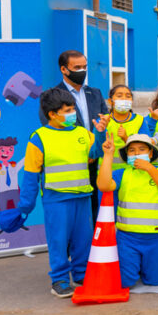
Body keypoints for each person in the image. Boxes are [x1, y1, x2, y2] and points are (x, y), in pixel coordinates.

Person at [19, 88, 108, 298]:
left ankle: (82, 274)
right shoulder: (39, 138)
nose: (72, 114)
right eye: (67, 110)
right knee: (58, 240)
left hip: (82, 196)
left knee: (83, 240)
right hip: (56, 199)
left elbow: (93, 155)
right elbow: (31, 174)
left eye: (72, 109)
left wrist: (100, 132)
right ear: (52, 114)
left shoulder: (82, 133)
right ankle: (58, 280)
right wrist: (26, 204)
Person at [97, 133, 158, 288]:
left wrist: (150, 168)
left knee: (156, 281)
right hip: (127, 239)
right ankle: (136, 265)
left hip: (157, 238)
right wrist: (108, 155)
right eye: (132, 150)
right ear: (127, 154)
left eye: (142, 149)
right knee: (125, 282)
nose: (136, 153)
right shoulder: (122, 173)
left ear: (150, 153)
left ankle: (144, 266)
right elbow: (104, 185)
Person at [46, 50, 109, 220]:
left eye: (84, 67)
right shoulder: (52, 95)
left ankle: (92, 244)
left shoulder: (95, 93)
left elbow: (104, 119)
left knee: (95, 207)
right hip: (71, 164)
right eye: (77, 67)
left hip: (95, 161)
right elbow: (51, 130)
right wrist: (82, 151)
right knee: (73, 214)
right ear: (64, 69)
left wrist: (95, 148)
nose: (82, 71)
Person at [103, 85, 149, 165]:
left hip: (131, 170)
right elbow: (95, 151)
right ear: (110, 101)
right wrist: (101, 129)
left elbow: (146, 147)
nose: (124, 99)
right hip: (106, 170)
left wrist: (126, 138)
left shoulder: (140, 120)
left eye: (128, 96)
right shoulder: (103, 120)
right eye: (119, 96)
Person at [0, 137, 23, 212]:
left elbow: (24, 161)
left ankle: (19, 223)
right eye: (2, 150)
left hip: (14, 190)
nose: (6, 152)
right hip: (2, 192)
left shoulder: (14, 167)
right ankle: (5, 223)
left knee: (18, 209)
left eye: (10, 150)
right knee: (3, 210)